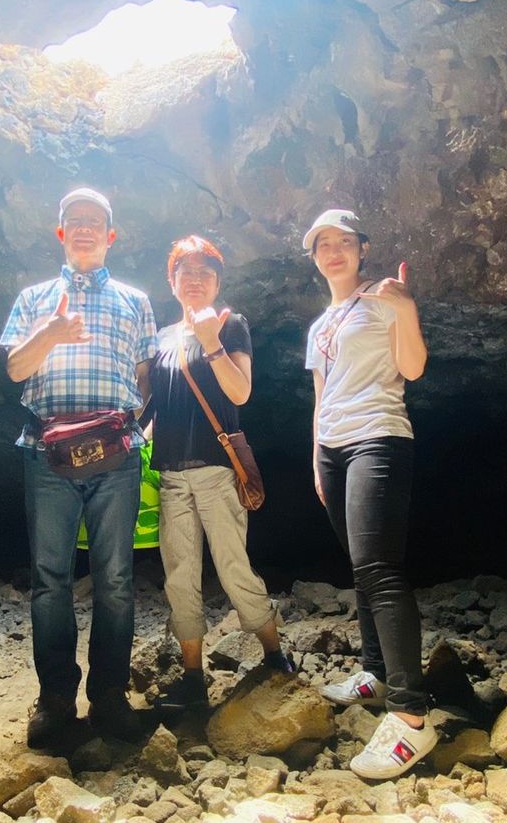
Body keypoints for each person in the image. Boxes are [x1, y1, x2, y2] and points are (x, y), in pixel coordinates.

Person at [0, 187, 158, 748]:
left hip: (116, 456)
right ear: (61, 233)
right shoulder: (34, 299)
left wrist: (125, 427)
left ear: (110, 235)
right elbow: (16, 369)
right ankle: (56, 702)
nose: (84, 228)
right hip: (48, 453)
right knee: (50, 580)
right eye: (74, 220)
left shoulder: (136, 301)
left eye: (95, 221)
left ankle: (109, 699)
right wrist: (50, 333)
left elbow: (144, 379)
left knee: (115, 581)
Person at [303, 209, 436, 779]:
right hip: (333, 449)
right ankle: (376, 674)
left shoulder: (385, 299)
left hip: (378, 437)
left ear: (361, 248)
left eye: (344, 241)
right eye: (323, 244)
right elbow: (321, 395)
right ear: (314, 257)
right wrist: (317, 459)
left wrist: (406, 308)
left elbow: (413, 367)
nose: (334, 251)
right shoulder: (320, 324)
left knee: (380, 569)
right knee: (361, 567)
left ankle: (410, 716)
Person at [145, 235, 291, 712]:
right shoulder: (162, 339)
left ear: (217, 282)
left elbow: (240, 392)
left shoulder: (231, 325)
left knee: (232, 566)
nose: (194, 279)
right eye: (184, 272)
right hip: (171, 475)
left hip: (215, 471)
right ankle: (193, 676)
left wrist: (210, 343)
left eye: (204, 272)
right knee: (179, 575)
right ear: (171, 282)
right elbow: (152, 406)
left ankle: (275, 655)